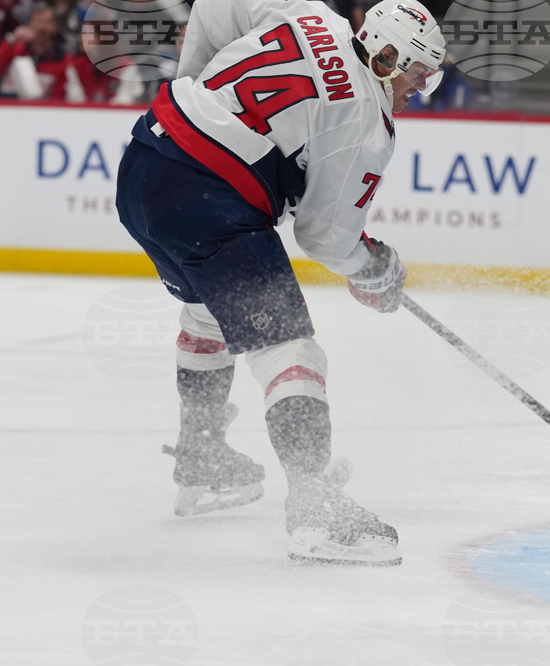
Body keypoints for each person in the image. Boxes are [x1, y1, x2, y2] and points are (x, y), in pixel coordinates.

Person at [115, 0, 446, 565]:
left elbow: (219, 7)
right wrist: (376, 268)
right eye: (417, 73)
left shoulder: (310, 13)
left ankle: (203, 458)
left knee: (208, 312)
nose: (418, 88)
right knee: (289, 346)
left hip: (147, 160)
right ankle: (313, 504)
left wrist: (196, 90)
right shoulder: (367, 121)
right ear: (388, 57)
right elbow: (326, 237)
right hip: (211, 197)